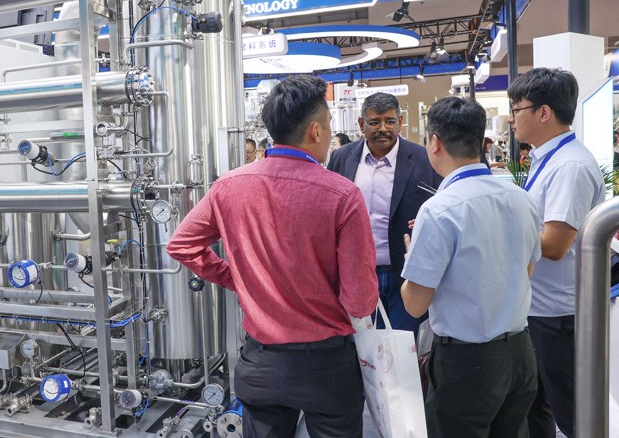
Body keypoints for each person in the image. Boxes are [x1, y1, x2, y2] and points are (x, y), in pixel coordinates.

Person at [167, 74, 378, 438]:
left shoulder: (229, 185)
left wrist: (237, 278)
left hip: (260, 362)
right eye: (328, 125)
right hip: (326, 365)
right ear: (315, 130)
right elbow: (360, 301)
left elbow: (181, 244)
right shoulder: (342, 194)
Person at [400, 96, 541, 438]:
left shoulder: (438, 209)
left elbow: (415, 304)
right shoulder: (521, 198)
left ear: (434, 143)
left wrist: (411, 258)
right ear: (480, 141)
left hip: (467, 363)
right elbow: (527, 272)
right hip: (520, 353)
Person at [508, 67, 604, 438]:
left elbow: (554, 245)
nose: (512, 119)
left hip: (558, 314)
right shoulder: (548, 158)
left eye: (517, 109)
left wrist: (499, 230)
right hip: (541, 308)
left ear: (544, 112)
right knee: (537, 408)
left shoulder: (570, 166)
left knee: (572, 414)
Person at [327, 92, 441, 334]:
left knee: (406, 347)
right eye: (374, 122)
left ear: (400, 121)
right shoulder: (341, 159)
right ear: (361, 124)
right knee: (363, 348)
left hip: (407, 275)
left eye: (389, 121)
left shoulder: (423, 159)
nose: (383, 129)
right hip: (357, 276)